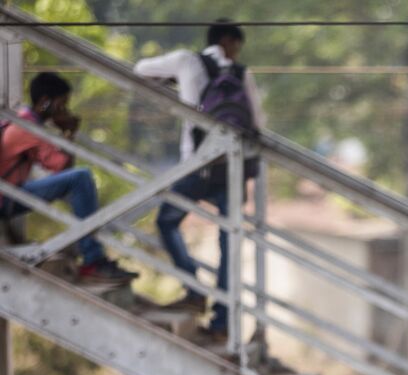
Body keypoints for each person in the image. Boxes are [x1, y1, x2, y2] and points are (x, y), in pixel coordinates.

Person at [134, 20, 266, 341]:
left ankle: (193, 291)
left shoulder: (186, 61)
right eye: (237, 44)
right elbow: (259, 124)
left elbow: (139, 69)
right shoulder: (241, 74)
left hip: (196, 164)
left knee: (167, 221)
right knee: (228, 244)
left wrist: (174, 83)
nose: (237, 52)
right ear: (227, 41)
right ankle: (222, 325)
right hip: (230, 170)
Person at [0, 72, 135, 286]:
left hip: (11, 192)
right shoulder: (27, 126)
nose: (65, 110)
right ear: (45, 102)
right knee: (81, 177)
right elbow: (63, 167)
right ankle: (93, 259)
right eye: (62, 104)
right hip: (5, 199)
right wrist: (69, 132)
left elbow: (59, 169)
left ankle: (89, 253)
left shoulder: (26, 120)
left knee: (79, 179)